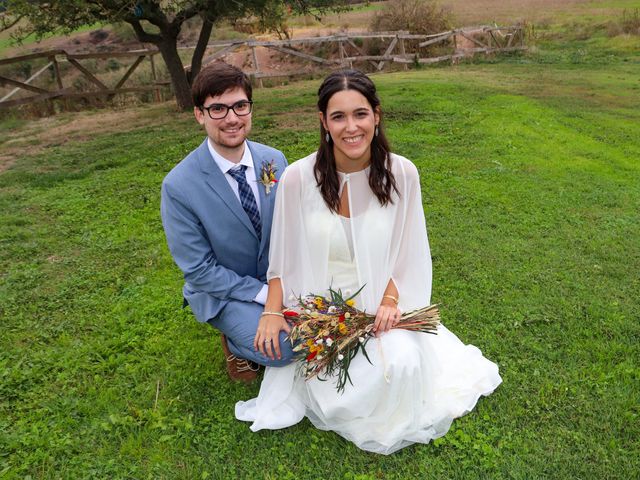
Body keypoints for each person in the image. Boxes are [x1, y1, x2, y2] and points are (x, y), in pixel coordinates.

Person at [235, 69, 502, 454]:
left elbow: (409, 252)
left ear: (376, 116)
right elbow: (282, 258)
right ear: (324, 123)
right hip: (323, 315)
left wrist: (390, 304)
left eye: (360, 114)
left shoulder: (403, 174)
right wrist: (272, 313)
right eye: (338, 116)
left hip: (381, 307)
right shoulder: (296, 179)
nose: (351, 127)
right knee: (342, 391)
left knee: (401, 367)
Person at [161, 62, 294, 383]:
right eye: (218, 109)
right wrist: (264, 297)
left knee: (332, 318)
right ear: (199, 115)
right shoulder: (179, 186)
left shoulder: (273, 160)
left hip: (279, 279)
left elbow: (292, 228)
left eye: (240, 106)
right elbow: (199, 270)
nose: (232, 118)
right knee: (287, 346)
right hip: (223, 292)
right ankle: (236, 342)